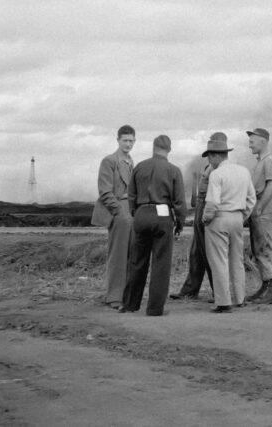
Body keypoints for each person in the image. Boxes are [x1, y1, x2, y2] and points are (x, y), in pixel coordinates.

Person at [120, 134, 186, 316]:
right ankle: (155, 309)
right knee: (160, 264)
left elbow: (131, 195)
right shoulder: (173, 170)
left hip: (141, 215)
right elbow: (179, 201)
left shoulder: (139, 167)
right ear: (169, 150)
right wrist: (180, 223)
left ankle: (129, 304)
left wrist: (136, 214)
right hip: (162, 216)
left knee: (136, 261)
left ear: (153, 147)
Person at [202, 133, 256, 313]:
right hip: (237, 219)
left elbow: (213, 203)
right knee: (237, 260)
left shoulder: (216, 174)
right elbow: (251, 199)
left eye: (210, 155)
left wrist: (206, 219)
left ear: (217, 155)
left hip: (219, 218)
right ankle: (240, 298)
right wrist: (242, 216)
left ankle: (224, 302)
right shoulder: (243, 171)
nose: (209, 159)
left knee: (219, 261)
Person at [170, 133, 223, 302]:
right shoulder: (211, 167)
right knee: (196, 253)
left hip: (207, 210)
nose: (209, 155)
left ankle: (219, 292)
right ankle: (190, 290)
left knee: (209, 252)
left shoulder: (219, 169)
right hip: (201, 208)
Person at [93, 124, 136, 310]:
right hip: (119, 211)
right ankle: (114, 297)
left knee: (130, 255)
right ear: (117, 140)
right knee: (118, 255)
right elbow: (104, 190)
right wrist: (119, 211)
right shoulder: (109, 161)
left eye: (131, 141)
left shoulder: (130, 161)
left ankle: (126, 294)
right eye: (125, 140)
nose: (128, 144)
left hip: (131, 211)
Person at [245, 127, 272, 304]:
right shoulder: (260, 162)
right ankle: (265, 287)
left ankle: (271, 291)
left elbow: (271, 187)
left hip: (263, 209)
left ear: (262, 141)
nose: (249, 144)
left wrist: (259, 207)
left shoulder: (269, 161)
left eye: (252, 141)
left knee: (266, 247)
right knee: (258, 248)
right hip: (258, 208)